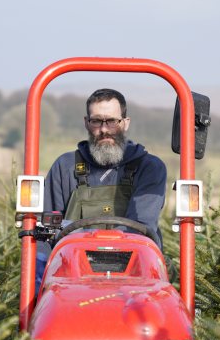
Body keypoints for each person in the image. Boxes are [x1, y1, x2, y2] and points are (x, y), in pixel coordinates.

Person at [42, 88, 167, 247]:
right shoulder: (65, 166)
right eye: (96, 121)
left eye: (112, 121)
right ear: (87, 123)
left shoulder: (149, 168)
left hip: (135, 264)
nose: (104, 130)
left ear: (125, 123)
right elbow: (47, 230)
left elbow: (141, 228)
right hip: (73, 266)